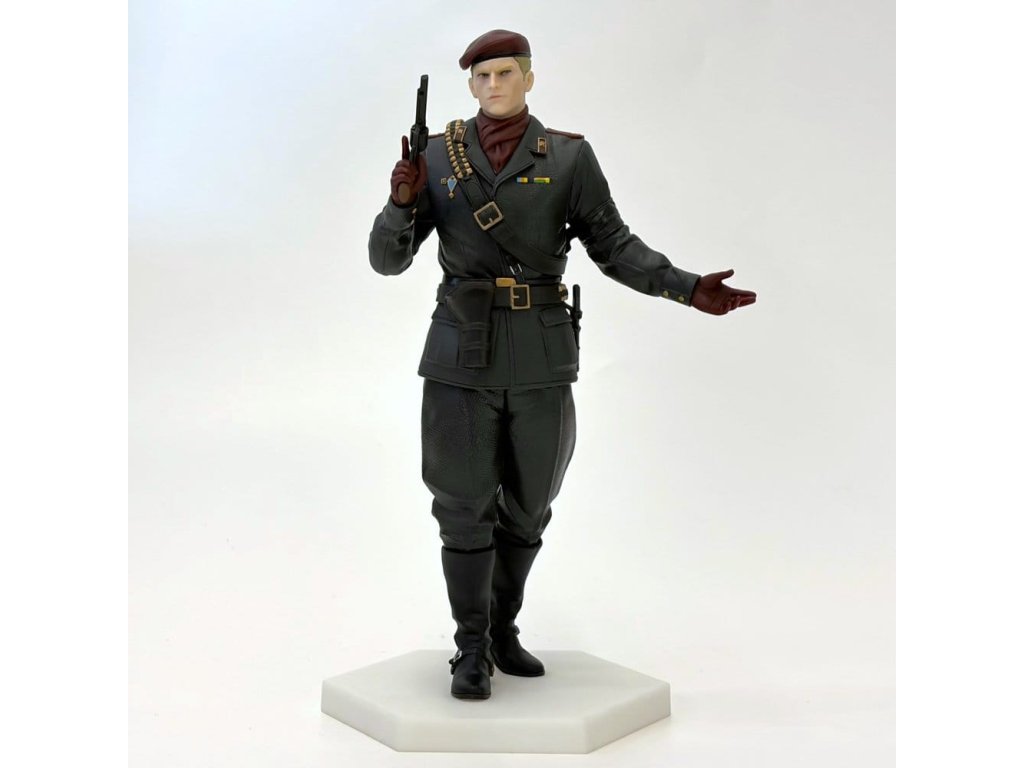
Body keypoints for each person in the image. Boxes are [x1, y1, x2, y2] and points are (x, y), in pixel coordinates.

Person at [368, 29, 756, 701]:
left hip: (541, 352)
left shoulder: (569, 157)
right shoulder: (434, 156)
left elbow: (614, 245)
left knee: (530, 503)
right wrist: (401, 203)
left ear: (529, 78)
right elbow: (387, 261)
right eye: (482, 75)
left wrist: (687, 287)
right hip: (461, 351)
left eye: (506, 72)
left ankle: (502, 629)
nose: (494, 85)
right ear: (470, 85)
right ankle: (470, 647)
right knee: (461, 505)